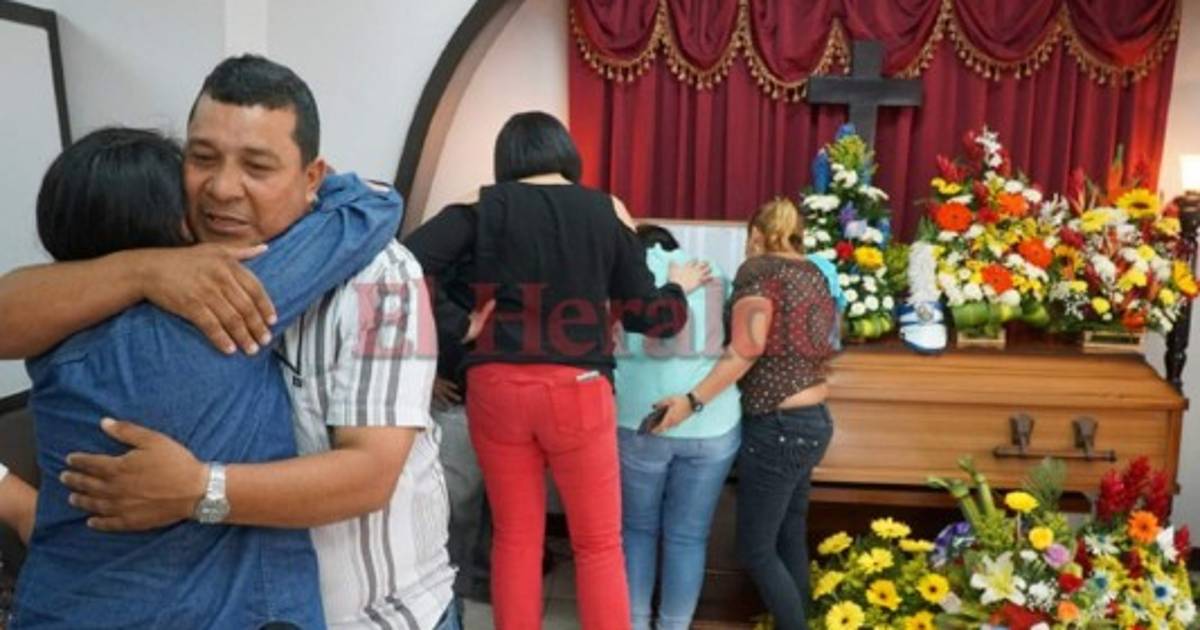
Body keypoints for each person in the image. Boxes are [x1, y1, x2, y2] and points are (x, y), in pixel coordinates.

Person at [0, 56, 458, 630]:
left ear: (312, 178)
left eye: (257, 166)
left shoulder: (382, 279)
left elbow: (369, 473)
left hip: (374, 614)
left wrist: (199, 488)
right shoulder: (137, 280)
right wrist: (144, 270)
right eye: (202, 158)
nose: (222, 188)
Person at [404, 111, 709, 630]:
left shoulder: (484, 205)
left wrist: (460, 325)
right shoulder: (605, 208)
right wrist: (678, 286)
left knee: (515, 539)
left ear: (507, 160)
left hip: (495, 387)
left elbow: (402, 260)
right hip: (578, 389)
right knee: (598, 544)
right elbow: (651, 317)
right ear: (566, 154)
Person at [652, 198, 840, 630]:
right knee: (789, 535)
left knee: (755, 550)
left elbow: (745, 350)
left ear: (756, 234)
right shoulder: (814, 272)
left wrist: (692, 400)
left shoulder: (759, 271)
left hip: (779, 426)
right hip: (814, 420)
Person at [613, 225, 740, 630]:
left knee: (637, 530)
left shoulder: (620, 273)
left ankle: (635, 624)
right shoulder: (715, 271)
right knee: (688, 536)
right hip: (711, 422)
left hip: (638, 420)